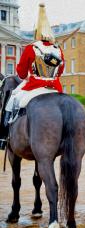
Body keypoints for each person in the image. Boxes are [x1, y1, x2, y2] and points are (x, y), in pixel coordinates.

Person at [0, 3, 64, 150]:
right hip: (55, 87)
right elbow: (60, 72)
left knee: (11, 102)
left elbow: (21, 73)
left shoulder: (31, 48)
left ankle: (3, 137)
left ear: (37, 31)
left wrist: (31, 73)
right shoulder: (58, 49)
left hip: (34, 85)